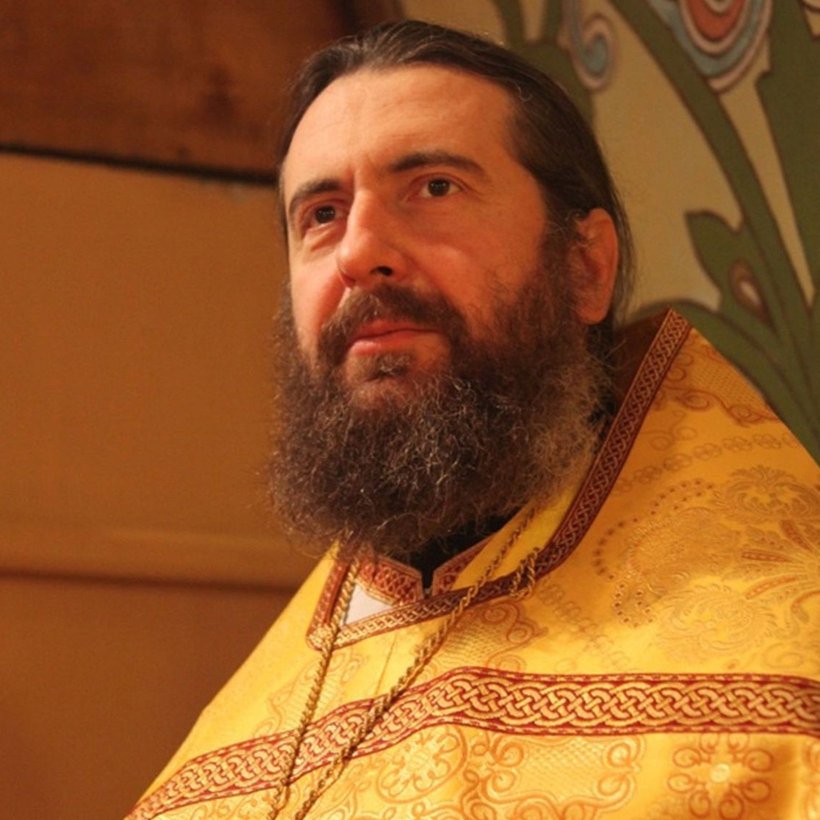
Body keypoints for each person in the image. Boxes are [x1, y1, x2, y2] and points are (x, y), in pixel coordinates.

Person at [128, 20, 819, 820]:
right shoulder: (218, 763)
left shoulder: (782, 700)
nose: (359, 252)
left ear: (584, 266)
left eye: (434, 189)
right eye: (321, 213)